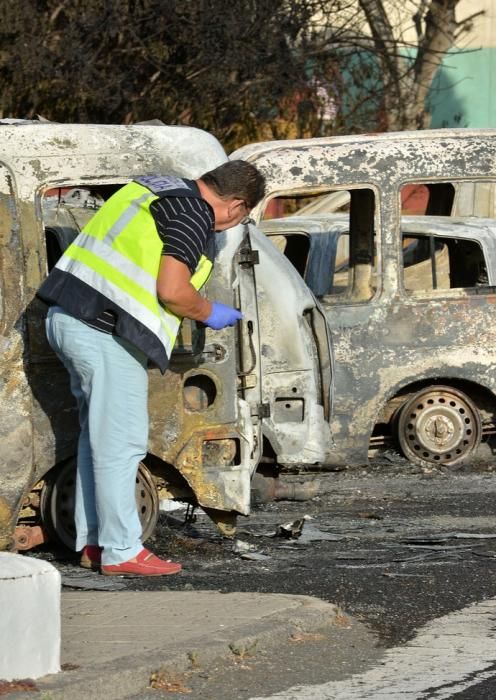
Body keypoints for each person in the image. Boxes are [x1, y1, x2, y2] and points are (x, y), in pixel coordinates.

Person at [38, 160, 266, 576]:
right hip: (102, 329)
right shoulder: (194, 212)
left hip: (70, 316)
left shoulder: (155, 189)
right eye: (241, 217)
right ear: (235, 206)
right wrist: (207, 310)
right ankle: (122, 550)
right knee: (122, 443)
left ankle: (95, 542)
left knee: (99, 439)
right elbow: (173, 291)